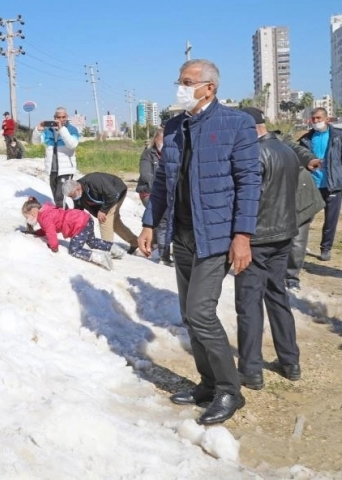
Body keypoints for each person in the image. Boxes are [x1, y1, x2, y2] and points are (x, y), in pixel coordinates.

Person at [138, 59, 260, 425]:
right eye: (179, 81)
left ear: (209, 87)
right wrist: (148, 224)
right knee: (190, 317)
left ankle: (229, 390)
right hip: (184, 234)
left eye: (188, 82)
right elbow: (162, 183)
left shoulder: (236, 124)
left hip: (217, 237)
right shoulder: (174, 127)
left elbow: (249, 183)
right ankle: (207, 384)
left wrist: (243, 236)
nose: (181, 87)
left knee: (202, 314)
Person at [235, 108, 301, 390]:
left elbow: (246, 198)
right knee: (278, 297)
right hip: (284, 234)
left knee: (249, 303)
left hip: (257, 238)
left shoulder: (253, 155)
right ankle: (290, 361)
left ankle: (251, 369)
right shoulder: (287, 150)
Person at [21, 196, 125, 270]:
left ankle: (101, 258)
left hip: (77, 224)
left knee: (74, 250)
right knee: (92, 241)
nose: (27, 220)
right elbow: (46, 229)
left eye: (27, 217)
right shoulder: (46, 210)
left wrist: (54, 247)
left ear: (33, 212)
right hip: (84, 218)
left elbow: (51, 232)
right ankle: (116, 250)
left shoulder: (44, 217)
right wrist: (36, 233)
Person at [279, 133, 325, 291]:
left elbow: (298, 150)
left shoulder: (280, 141)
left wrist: (310, 159)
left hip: (300, 195)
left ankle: (292, 277)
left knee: (298, 240)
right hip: (274, 199)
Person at [297, 107, 342, 261]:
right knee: (305, 217)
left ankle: (326, 248)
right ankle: (300, 245)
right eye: (313, 119)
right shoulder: (306, 139)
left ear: (327, 119)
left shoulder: (338, 136)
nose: (315, 121)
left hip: (332, 184)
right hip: (312, 185)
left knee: (330, 220)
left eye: (318, 118)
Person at [63, 172, 139, 253]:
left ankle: (108, 251)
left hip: (117, 192)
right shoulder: (77, 194)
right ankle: (135, 242)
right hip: (106, 199)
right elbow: (78, 211)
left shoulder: (93, 181)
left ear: (78, 188)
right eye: (70, 197)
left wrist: (103, 210)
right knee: (115, 223)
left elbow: (112, 195)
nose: (72, 198)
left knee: (104, 220)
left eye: (72, 195)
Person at [136, 128, 171, 265]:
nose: (163, 142)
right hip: (149, 192)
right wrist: (163, 182)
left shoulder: (171, 154)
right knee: (162, 220)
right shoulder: (148, 154)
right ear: (155, 139)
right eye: (160, 139)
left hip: (167, 192)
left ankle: (155, 245)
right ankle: (164, 256)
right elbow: (145, 175)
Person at [32, 107, 79, 207]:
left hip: (66, 170)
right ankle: (65, 216)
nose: (61, 119)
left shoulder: (72, 129)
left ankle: (63, 220)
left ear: (67, 117)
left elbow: (72, 144)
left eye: (63, 117)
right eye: (59, 117)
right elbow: (35, 142)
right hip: (52, 170)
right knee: (56, 198)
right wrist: (38, 130)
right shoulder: (48, 130)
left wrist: (62, 129)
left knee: (59, 197)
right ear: (54, 118)